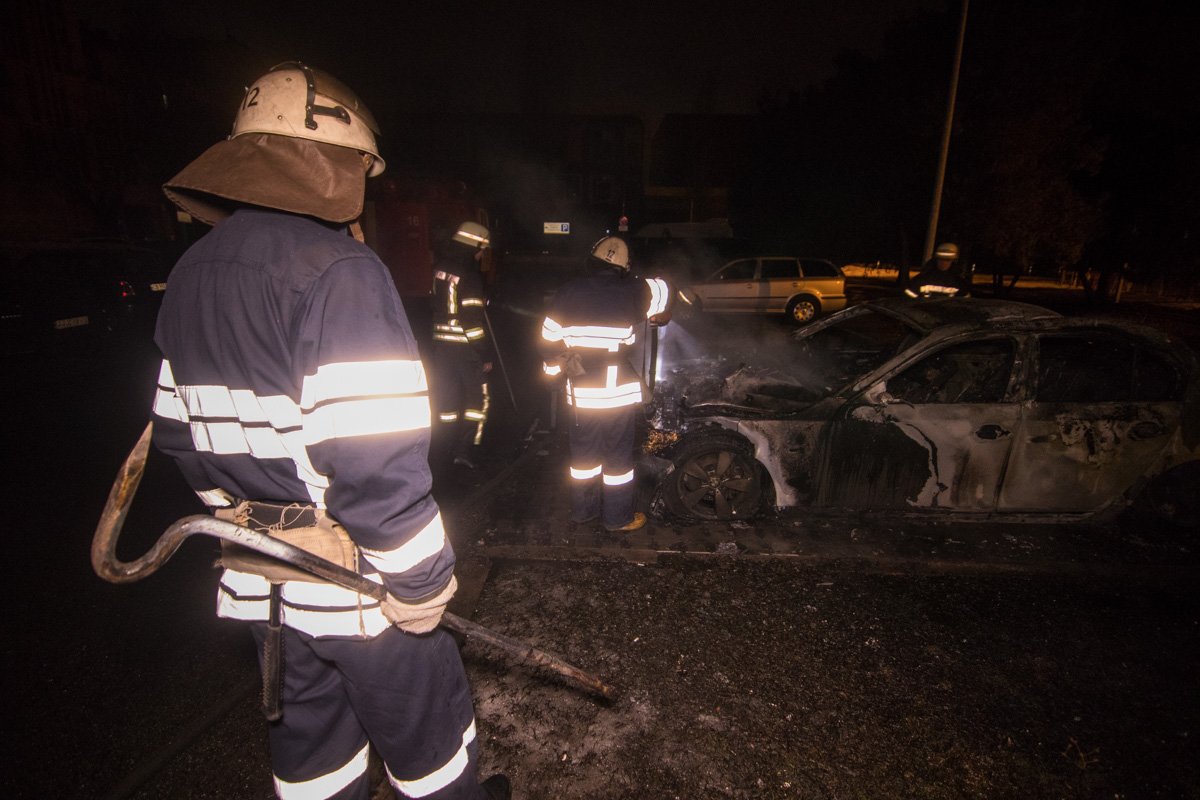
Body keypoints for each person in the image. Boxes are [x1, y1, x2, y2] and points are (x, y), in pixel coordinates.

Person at [150, 62, 509, 800]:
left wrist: (248, 521)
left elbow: (175, 432)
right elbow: (374, 459)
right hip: (361, 591)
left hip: (264, 584)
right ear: (332, 164)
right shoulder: (340, 271)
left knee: (314, 765)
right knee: (434, 753)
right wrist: (419, 581)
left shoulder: (190, 272)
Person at [539, 236, 671, 532]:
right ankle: (617, 518)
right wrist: (640, 277)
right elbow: (663, 295)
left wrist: (553, 374)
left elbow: (547, 340)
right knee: (618, 460)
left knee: (583, 459)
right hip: (618, 394)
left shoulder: (568, 292)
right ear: (624, 265)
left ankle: (583, 512)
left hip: (581, 393)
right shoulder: (634, 292)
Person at [431, 222, 493, 471]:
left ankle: (442, 447)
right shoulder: (470, 273)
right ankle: (465, 449)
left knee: (446, 400)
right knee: (478, 400)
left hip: (440, 346)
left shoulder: (440, 268)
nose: (482, 255)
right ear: (475, 245)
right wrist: (484, 352)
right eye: (482, 249)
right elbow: (471, 321)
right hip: (466, 348)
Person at [905, 241, 972, 298]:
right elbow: (908, 300)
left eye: (947, 260)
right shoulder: (922, 278)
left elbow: (964, 304)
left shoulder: (959, 282)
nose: (943, 262)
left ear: (953, 261)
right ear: (936, 259)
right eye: (941, 259)